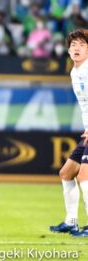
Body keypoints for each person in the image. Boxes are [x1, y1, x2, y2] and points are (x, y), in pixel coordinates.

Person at [50, 29, 88, 237]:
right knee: (66, 173)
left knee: (84, 175)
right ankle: (71, 222)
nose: (76, 48)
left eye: (82, 45)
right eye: (73, 45)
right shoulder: (75, 72)